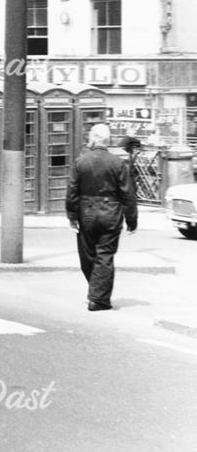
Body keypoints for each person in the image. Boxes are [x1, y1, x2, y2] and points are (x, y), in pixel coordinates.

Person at [66, 123, 138, 311]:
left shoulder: (81, 161)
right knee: (104, 256)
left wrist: (72, 216)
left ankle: (98, 296)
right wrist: (132, 221)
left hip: (86, 213)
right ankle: (99, 296)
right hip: (111, 213)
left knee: (88, 255)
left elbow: (72, 190)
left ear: (93, 138)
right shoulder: (117, 163)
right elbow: (128, 194)